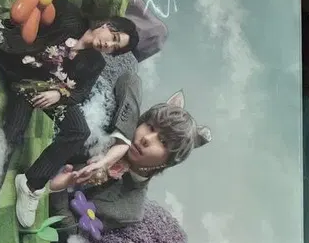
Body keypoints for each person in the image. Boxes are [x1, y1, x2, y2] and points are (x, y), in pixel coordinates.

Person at [0, 0, 140, 243]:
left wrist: (59, 94)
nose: (108, 45)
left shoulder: (95, 63)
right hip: (21, 73)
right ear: (107, 25)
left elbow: (79, 92)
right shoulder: (69, 16)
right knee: (11, 135)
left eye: (114, 47)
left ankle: (31, 184)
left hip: (46, 90)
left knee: (79, 131)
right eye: (113, 37)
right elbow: (28, 31)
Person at [49, 88, 211, 234]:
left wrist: (57, 189)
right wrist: (121, 142)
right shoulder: (119, 125)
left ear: (168, 161)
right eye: (150, 127)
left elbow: (71, 230)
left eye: (163, 142)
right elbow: (130, 80)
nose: (147, 139)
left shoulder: (130, 208)